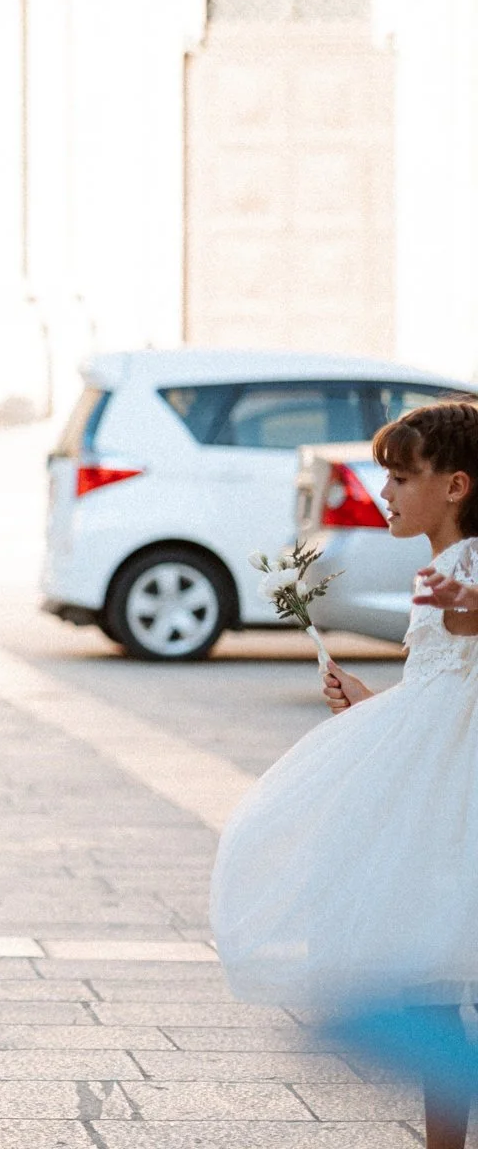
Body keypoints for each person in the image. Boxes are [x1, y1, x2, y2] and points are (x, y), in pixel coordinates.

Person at [210, 399, 478, 1149]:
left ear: (455, 485)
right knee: (433, 969)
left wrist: (466, 604)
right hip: (436, 776)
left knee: (437, 966)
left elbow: (468, 629)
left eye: (399, 478)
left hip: (456, 790)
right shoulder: (442, 568)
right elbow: (447, 679)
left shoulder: (465, 565)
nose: (384, 494)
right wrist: (370, 704)